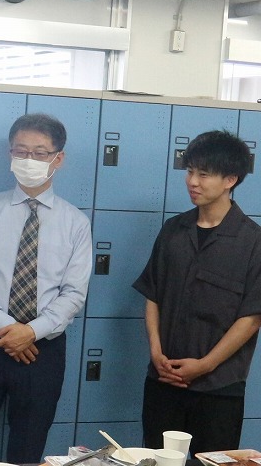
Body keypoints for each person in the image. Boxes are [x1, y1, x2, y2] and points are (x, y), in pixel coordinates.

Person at [0, 113, 92, 465]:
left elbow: (74, 293)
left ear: (58, 159)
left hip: (43, 349)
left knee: (27, 449)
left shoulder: (75, 223)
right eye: (21, 151)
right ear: (10, 155)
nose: (29, 160)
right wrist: (8, 329)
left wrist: (31, 332)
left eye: (40, 153)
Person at [134, 130, 261, 455]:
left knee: (212, 461)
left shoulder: (253, 242)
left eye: (204, 174)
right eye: (190, 171)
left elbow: (251, 318)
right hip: (163, 381)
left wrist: (205, 365)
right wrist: (156, 352)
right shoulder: (173, 230)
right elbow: (153, 295)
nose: (192, 181)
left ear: (230, 179)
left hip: (219, 388)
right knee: (157, 460)